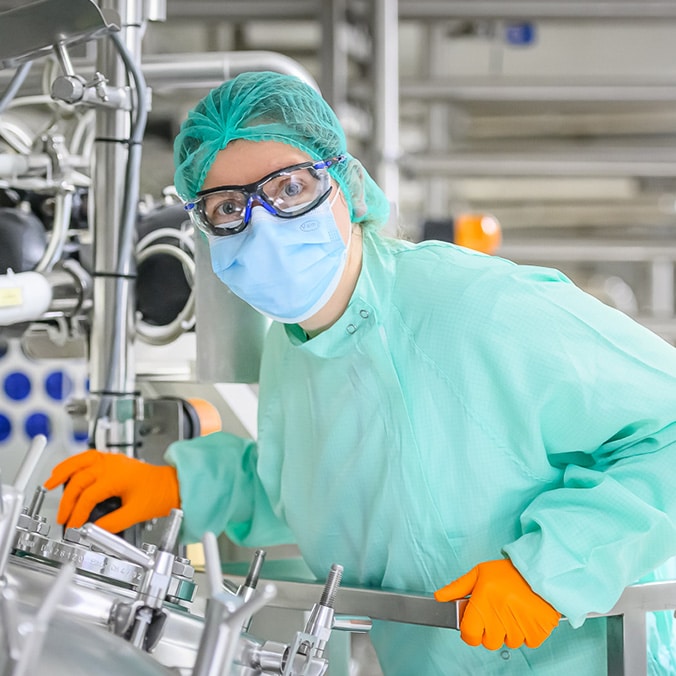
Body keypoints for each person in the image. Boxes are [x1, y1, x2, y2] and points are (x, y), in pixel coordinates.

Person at [44, 71, 676, 675]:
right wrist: (178, 484)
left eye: (289, 187)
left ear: (343, 184)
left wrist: (551, 569)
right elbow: (322, 489)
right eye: (228, 205)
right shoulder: (297, 341)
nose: (262, 223)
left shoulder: (471, 308)